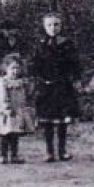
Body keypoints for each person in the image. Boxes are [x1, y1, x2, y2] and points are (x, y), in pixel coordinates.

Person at [30, 12, 81, 162]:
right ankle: (49, 151)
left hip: (63, 87)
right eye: (49, 25)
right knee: (47, 122)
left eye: (56, 24)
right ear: (44, 27)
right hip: (46, 87)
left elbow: (75, 64)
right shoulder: (40, 45)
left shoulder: (67, 44)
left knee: (62, 122)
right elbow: (34, 64)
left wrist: (76, 79)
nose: (53, 28)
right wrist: (36, 80)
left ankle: (62, 150)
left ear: (61, 26)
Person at [0, 53, 36, 164]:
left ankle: (14, 155)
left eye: (17, 68)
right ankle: (3, 155)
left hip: (18, 110)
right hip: (8, 112)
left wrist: (30, 86)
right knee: (6, 134)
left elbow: (27, 94)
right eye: (12, 68)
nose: (15, 71)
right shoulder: (3, 82)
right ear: (6, 68)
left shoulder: (21, 82)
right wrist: (6, 107)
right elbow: (1, 96)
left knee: (15, 134)